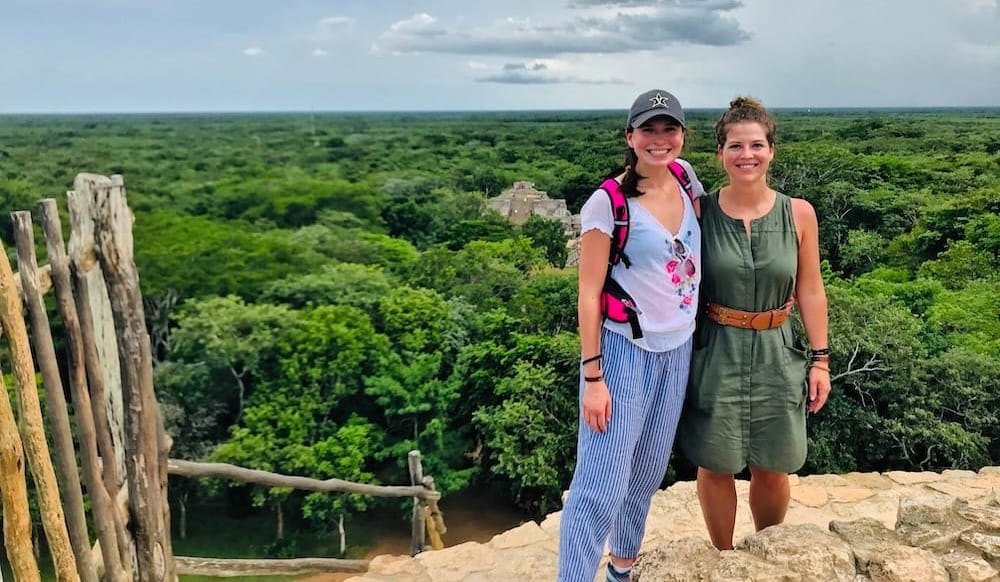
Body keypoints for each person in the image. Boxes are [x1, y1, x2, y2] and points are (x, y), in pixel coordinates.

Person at [557, 89, 705, 582]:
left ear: (683, 135)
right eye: (649, 130)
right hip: (624, 352)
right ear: (630, 136)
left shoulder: (687, 182)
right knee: (599, 484)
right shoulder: (608, 203)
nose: (659, 140)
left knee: (644, 472)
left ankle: (622, 567)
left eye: (669, 129)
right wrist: (593, 376)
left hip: (677, 347)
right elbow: (588, 295)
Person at [677, 96, 831, 551]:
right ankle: (723, 558)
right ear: (720, 153)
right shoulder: (699, 214)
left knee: (773, 463)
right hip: (716, 345)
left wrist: (820, 360)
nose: (747, 155)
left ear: (771, 150)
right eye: (736, 145)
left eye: (757, 144)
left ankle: (768, 549)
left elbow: (811, 290)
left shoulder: (798, 213)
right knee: (715, 461)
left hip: (778, 346)